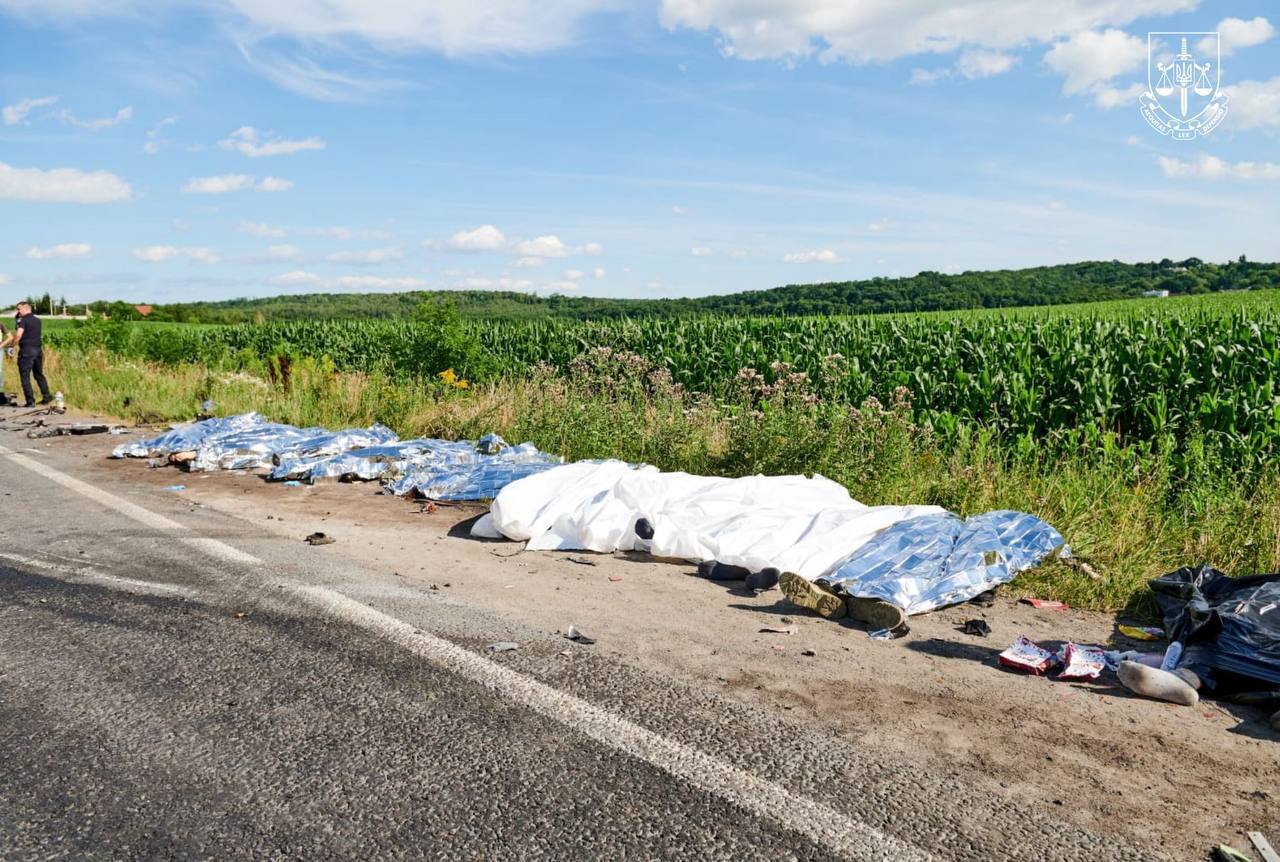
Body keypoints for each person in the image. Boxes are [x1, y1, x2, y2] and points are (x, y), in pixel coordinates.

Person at [11, 301, 52, 407]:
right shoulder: (38, 320)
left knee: (25, 377)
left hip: (26, 352)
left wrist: (11, 346)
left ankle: (30, 401)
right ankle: (46, 397)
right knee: (39, 375)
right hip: (38, 351)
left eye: (19, 309)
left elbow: (19, 335)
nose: (18, 311)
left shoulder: (23, 321)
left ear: (26, 308)